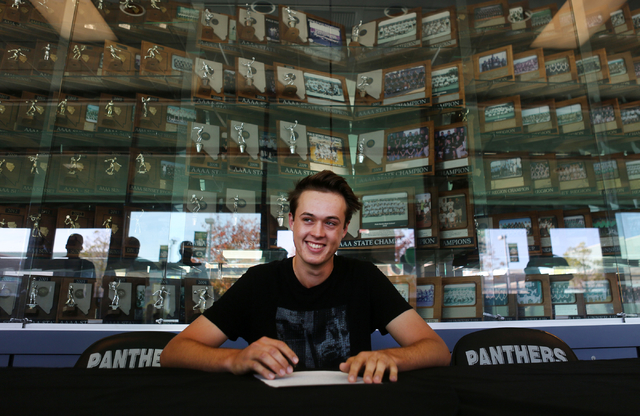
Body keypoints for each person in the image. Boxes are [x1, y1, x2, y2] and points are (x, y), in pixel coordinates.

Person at [161, 170, 450, 383]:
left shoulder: (365, 278)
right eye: (308, 219)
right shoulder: (258, 282)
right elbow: (174, 352)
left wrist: (390, 357)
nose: (318, 233)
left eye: (331, 223)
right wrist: (234, 359)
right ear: (291, 222)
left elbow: (437, 350)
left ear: (344, 229)